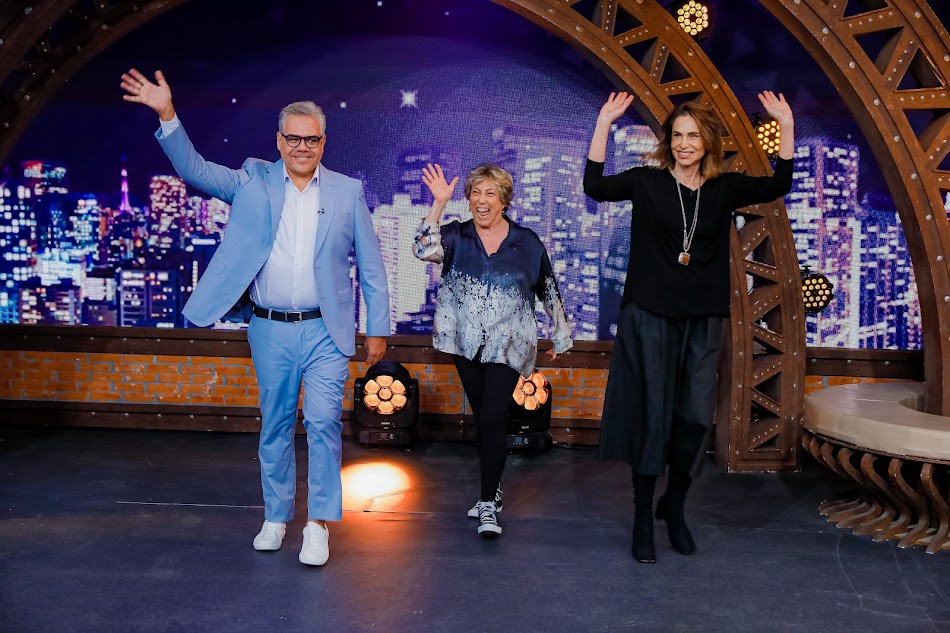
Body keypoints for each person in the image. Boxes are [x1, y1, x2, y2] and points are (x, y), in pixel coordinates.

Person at [120, 69, 390, 566]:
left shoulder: (347, 192)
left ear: (324, 143)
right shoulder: (252, 180)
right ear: (279, 141)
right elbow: (196, 171)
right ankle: (275, 516)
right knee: (276, 425)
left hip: (326, 331)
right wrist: (167, 114)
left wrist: (377, 327)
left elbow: (371, 267)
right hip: (269, 328)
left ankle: (317, 525)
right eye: (294, 138)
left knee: (326, 423)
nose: (302, 147)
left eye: (312, 139)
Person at [584, 91, 795, 563]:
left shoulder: (724, 189)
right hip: (651, 316)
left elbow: (779, 182)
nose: (683, 144)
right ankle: (643, 518)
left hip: (703, 318)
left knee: (696, 417)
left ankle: (673, 506)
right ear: (667, 142)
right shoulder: (646, 182)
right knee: (654, 417)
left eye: (692, 136)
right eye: (677, 136)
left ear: (707, 143)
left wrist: (784, 123)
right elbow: (594, 187)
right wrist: (603, 122)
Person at [413, 163, 573, 538]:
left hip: (509, 343)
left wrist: (561, 331)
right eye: (475, 193)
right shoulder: (455, 236)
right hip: (463, 342)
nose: (482, 201)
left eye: (490, 193)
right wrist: (438, 204)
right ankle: (494, 486)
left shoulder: (527, 242)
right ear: (468, 198)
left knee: (492, 419)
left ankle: (487, 503)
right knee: (486, 416)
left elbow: (547, 285)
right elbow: (422, 249)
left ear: (504, 199)